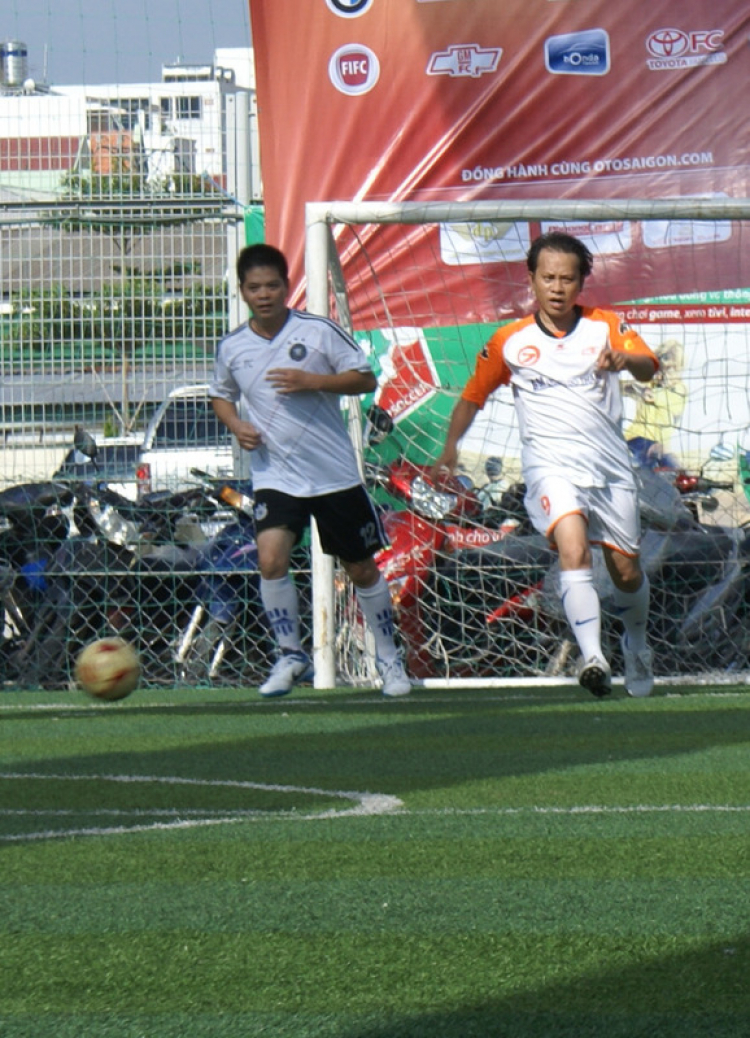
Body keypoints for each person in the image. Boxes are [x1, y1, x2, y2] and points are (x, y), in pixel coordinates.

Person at [431, 231, 660, 698]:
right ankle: (594, 657)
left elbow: (650, 367)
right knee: (571, 547)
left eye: (567, 279)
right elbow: (473, 397)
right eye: (548, 277)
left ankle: (636, 642)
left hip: (609, 468)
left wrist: (625, 359)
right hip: (549, 464)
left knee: (626, 572)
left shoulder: (604, 326)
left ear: (582, 283)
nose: (557, 287)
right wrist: (450, 448)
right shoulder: (510, 340)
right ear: (531, 280)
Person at [209, 243, 410, 698]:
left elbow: (364, 378)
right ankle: (290, 654)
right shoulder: (232, 346)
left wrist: (312, 381)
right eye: (255, 287)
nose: (264, 295)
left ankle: (388, 657)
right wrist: (236, 424)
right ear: (242, 291)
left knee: (359, 568)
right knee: (270, 558)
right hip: (276, 475)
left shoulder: (318, 332)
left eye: (272, 286)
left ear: (286, 287)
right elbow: (220, 393)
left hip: (333, 474)